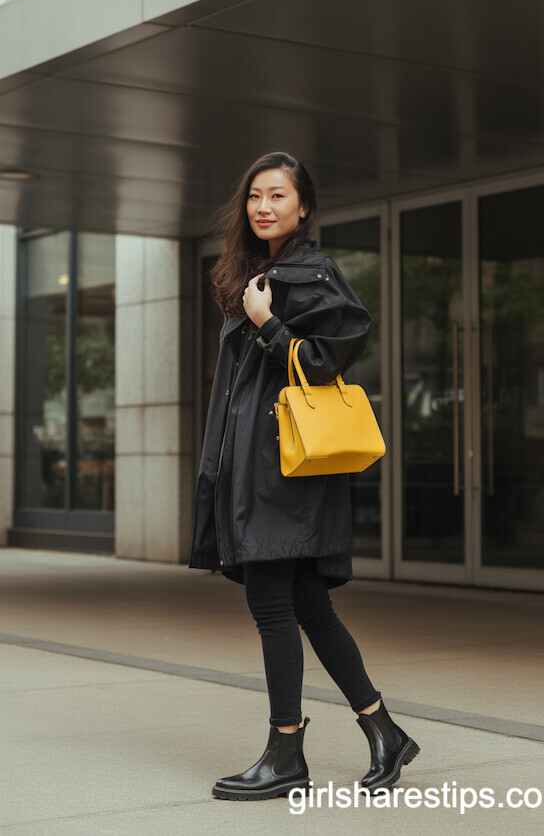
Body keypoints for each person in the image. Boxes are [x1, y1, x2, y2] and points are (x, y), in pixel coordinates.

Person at [189, 151, 420, 801]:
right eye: (255, 196)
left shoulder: (310, 272)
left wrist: (267, 327)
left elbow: (326, 359)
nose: (263, 206)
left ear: (304, 207)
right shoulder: (263, 271)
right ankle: (384, 732)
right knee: (307, 605)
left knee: (271, 605)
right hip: (266, 469)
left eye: (277, 196)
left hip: (285, 470)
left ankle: (286, 752)